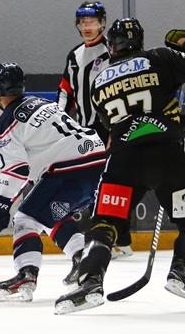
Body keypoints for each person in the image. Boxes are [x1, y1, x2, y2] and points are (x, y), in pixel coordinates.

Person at [55, 18, 185, 314]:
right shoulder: (160, 57)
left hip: (123, 162)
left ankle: (90, 282)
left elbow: (112, 123)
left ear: (111, 46)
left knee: (104, 223)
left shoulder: (99, 81)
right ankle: (181, 271)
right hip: (167, 156)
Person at [0, 62, 106, 302]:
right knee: (48, 214)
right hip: (97, 161)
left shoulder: (6, 122)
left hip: (67, 168)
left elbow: (14, 169)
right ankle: (82, 258)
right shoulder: (41, 102)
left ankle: (26, 275)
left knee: (25, 219)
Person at [57, 1, 134, 259]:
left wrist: (118, 128)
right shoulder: (74, 56)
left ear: (102, 24)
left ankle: (120, 239)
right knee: (92, 184)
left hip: (109, 128)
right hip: (83, 131)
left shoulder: (112, 52)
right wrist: (59, 120)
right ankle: (108, 238)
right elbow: (65, 91)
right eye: (82, 22)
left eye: (92, 21)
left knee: (111, 183)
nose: (87, 26)